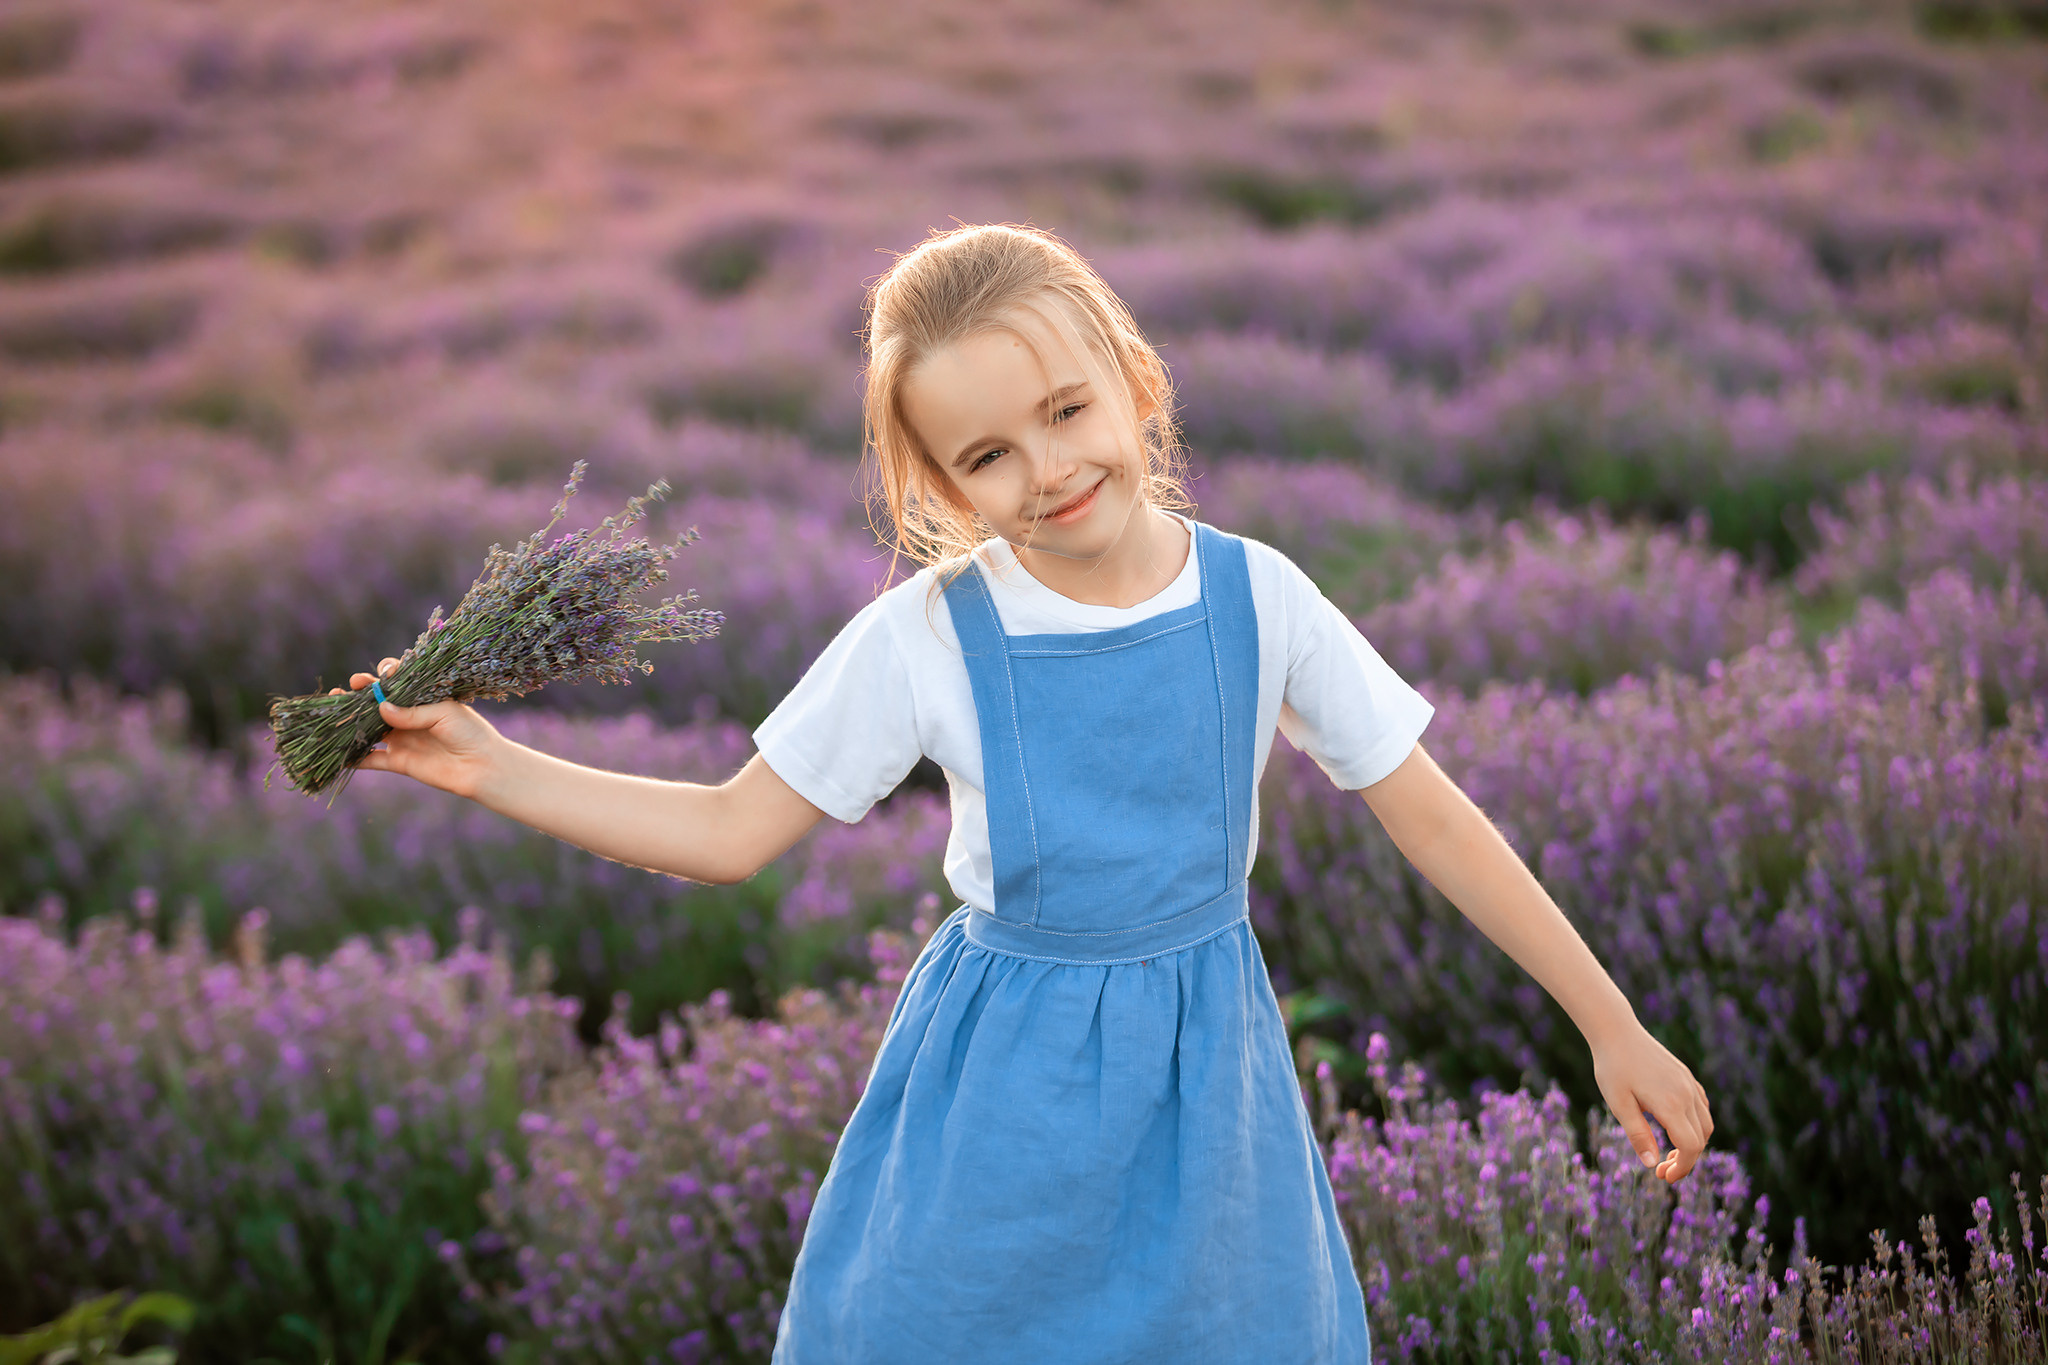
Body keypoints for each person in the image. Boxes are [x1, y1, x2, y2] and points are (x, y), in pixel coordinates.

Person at [334, 222, 1713, 1363]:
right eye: (989, 454)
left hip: (1205, 1084)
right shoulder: (931, 632)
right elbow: (726, 829)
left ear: (1136, 385)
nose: (1050, 470)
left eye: (1068, 411)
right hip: (998, 1094)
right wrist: (487, 765)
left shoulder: (1257, 593)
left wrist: (1610, 1024)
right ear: (938, 480)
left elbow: (1431, 814)